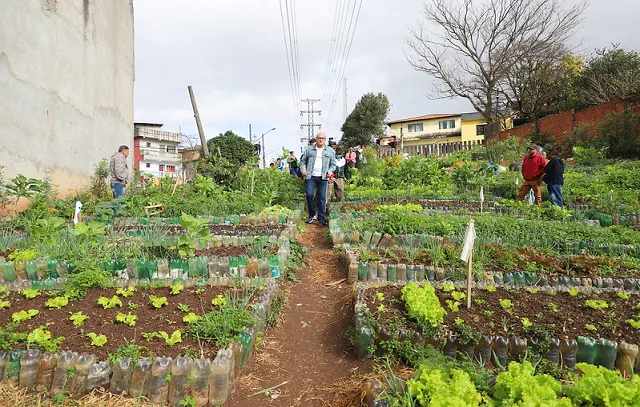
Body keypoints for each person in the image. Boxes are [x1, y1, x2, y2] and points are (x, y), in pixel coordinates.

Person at [299, 132, 336, 226]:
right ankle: (312, 214)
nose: (321, 140)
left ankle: (321, 217)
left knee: (322, 197)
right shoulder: (309, 149)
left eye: (323, 138)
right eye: (319, 138)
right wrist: (303, 169)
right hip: (310, 176)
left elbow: (333, 164)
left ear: (325, 139)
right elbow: (302, 161)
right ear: (316, 139)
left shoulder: (330, 151)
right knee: (309, 195)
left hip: (323, 177)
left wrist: (330, 171)